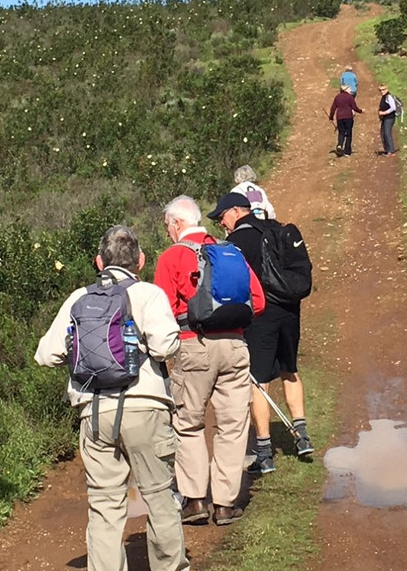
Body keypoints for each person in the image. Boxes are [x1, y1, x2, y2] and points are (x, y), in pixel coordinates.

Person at [34, 226, 189, 571]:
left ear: (99, 261)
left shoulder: (78, 298)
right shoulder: (148, 294)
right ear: (141, 261)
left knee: (104, 505)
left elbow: (45, 354)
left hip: (94, 412)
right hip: (145, 408)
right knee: (159, 497)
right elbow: (165, 346)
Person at [154, 195, 266, 527]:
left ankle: (195, 500)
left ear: (176, 224)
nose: (167, 233)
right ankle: (225, 504)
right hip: (235, 345)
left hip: (193, 346)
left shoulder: (172, 257)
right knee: (233, 426)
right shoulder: (230, 251)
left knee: (188, 423)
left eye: (167, 227)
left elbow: (159, 311)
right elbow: (257, 301)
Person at [209, 195, 313, 476]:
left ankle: (265, 453)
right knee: (290, 370)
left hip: (260, 317)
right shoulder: (277, 228)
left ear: (235, 211)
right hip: (290, 312)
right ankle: (302, 436)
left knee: (259, 381)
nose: (221, 222)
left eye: (222, 216)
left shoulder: (237, 243)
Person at [328, 84, 363, 156]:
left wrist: (331, 117)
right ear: (346, 89)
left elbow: (333, 108)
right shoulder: (349, 97)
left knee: (341, 133)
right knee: (348, 134)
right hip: (348, 117)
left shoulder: (337, 97)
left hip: (340, 118)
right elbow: (354, 107)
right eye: (349, 89)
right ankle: (347, 151)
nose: (350, 90)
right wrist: (361, 111)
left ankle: (340, 145)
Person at [378, 84, 398, 156]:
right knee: (383, 133)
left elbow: (393, 108)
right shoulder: (384, 97)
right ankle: (387, 150)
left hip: (390, 117)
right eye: (380, 90)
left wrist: (384, 112)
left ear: (387, 89)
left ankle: (391, 151)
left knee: (387, 133)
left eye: (383, 90)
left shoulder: (389, 97)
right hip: (385, 118)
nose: (382, 91)